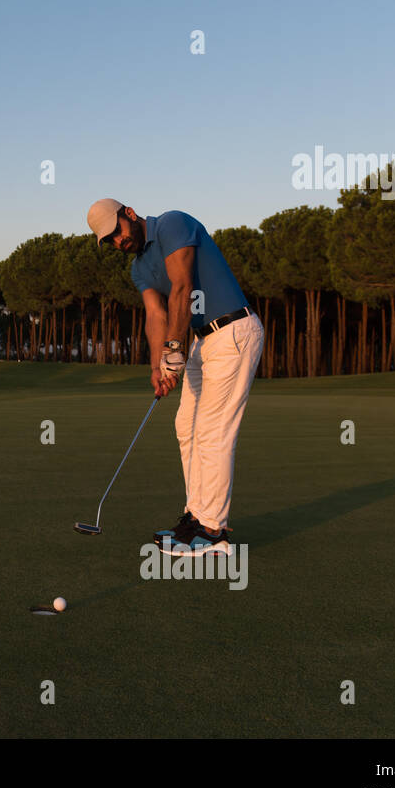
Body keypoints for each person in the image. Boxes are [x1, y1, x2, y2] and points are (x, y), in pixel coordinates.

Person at [86, 199, 264, 557]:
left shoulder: (172, 224)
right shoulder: (138, 268)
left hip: (233, 330)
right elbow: (155, 315)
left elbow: (181, 287)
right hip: (201, 341)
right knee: (186, 426)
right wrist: (158, 367)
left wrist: (172, 349)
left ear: (130, 215)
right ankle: (196, 517)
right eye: (109, 242)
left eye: (116, 233)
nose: (118, 243)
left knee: (213, 431)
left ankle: (214, 534)